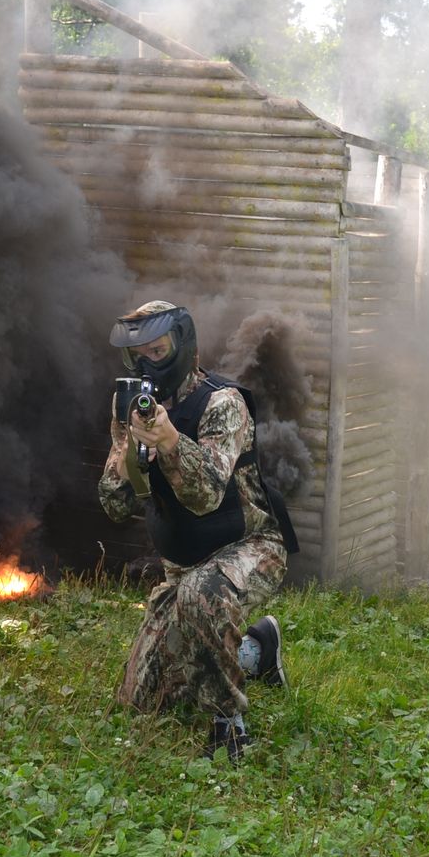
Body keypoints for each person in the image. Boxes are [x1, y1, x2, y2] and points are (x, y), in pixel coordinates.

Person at [97, 300, 298, 762]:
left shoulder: (223, 404)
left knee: (200, 599)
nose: (149, 362)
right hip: (183, 567)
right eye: (139, 354)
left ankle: (230, 727)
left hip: (250, 546)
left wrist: (168, 440)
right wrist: (129, 449)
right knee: (142, 701)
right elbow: (113, 503)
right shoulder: (131, 403)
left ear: (183, 347)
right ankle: (256, 652)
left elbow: (206, 497)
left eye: (158, 349)